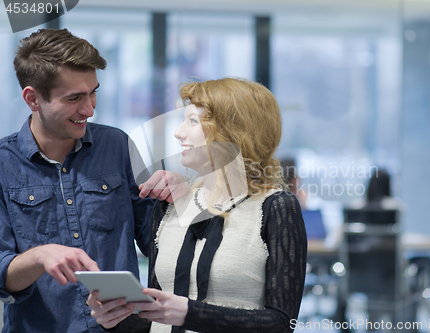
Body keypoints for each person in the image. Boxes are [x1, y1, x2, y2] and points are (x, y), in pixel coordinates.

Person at [89, 78, 308, 333]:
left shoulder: (276, 207)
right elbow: (155, 316)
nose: (178, 132)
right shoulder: (170, 204)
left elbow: (282, 324)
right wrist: (115, 318)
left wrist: (189, 313)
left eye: (192, 121)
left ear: (233, 130)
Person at [0, 28, 181, 333]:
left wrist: (177, 200)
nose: (89, 109)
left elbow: (160, 244)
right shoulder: (3, 164)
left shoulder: (118, 145)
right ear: (32, 98)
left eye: (93, 92)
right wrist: (40, 256)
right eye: (74, 98)